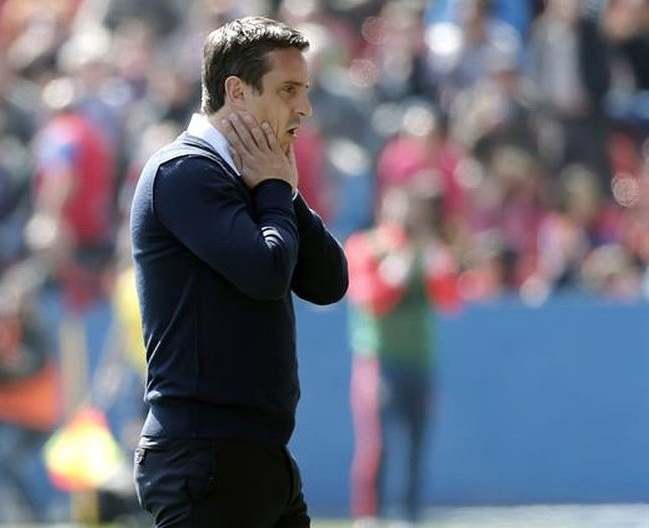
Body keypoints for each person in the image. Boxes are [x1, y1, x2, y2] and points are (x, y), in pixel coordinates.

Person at [129, 16, 349, 527]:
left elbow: (329, 281)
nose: (304, 108)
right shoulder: (184, 170)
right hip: (204, 458)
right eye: (288, 89)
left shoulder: (251, 173)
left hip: (257, 457)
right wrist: (274, 189)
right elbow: (266, 272)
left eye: (305, 90)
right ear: (237, 92)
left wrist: (282, 192)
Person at [345, 185, 459, 527]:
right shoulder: (367, 247)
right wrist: (400, 262)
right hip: (380, 361)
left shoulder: (427, 251)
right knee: (376, 444)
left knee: (416, 443)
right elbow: (371, 299)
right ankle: (370, 516)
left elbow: (450, 300)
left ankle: (410, 515)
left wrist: (433, 259)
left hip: (419, 360)